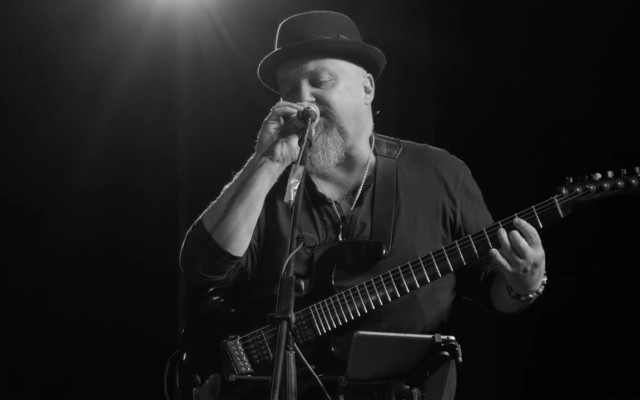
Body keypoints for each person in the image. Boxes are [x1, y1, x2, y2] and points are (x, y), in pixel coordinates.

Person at [177, 10, 547, 400]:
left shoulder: (440, 173)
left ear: (367, 88)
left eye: (320, 81)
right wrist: (266, 163)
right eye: (288, 89)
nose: (302, 99)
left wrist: (526, 285)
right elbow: (204, 267)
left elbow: (492, 288)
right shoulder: (266, 184)